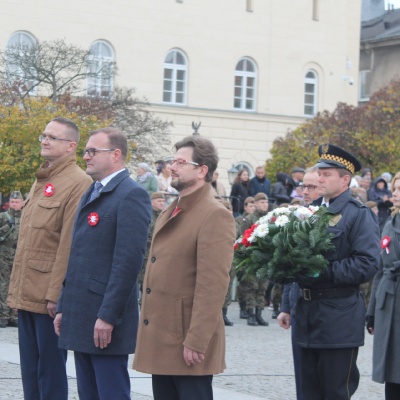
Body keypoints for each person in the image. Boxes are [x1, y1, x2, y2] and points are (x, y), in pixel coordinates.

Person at [133, 136, 236, 400]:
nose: (173, 167)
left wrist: (198, 338)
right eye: (172, 161)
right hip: (164, 336)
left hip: (186, 340)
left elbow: (213, 284)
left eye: (181, 161)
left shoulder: (214, 214)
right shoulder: (173, 209)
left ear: (202, 170)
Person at [54, 127, 152, 399]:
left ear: (116, 155)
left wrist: (108, 315)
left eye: (93, 151)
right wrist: (64, 306)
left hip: (104, 318)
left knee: (110, 393)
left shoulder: (131, 194)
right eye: (86, 151)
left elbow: (128, 263)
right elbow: (79, 256)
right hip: (82, 312)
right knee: (88, 393)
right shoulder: (92, 191)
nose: (86, 156)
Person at [7, 117, 93, 400]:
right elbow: (31, 239)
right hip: (28, 289)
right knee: (30, 369)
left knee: (50, 371)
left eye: (52, 137)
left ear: (71, 146)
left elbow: (68, 244)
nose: (44, 140)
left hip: (48, 295)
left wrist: (56, 295)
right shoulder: (42, 177)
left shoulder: (78, 183)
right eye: (43, 135)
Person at [294, 144, 380, 400]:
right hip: (307, 317)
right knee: (307, 393)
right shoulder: (308, 212)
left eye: (327, 174)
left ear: (345, 180)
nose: (320, 178)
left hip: (338, 320)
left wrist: (321, 272)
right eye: (319, 172)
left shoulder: (358, 214)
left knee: (334, 393)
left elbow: (367, 263)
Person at [278, 166, 320, 400]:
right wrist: (286, 306)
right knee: (303, 382)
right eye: (304, 185)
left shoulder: (327, 218)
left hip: (325, 308)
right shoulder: (298, 216)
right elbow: (290, 268)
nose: (305, 191)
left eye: (311, 186)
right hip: (298, 304)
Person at [366, 171, 400, 400]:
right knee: (390, 370)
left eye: (399, 190)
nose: (394, 194)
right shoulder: (391, 222)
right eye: (394, 188)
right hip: (388, 302)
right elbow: (379, 269)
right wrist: (371, 313)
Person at [240, 192, 270, 326]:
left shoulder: (270, 219)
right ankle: (250, 313)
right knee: (251, 286)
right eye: (262, 202)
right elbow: (242, 238)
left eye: (266, 202)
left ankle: (259, 313)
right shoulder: (250, 219)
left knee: (262, 287)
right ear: (256, 204)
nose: (265, 205)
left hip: (265, 258)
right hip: (252, 257)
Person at [0, 191, 24, 328]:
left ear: (22, 203)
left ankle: (14, 315)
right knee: (3, 285)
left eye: (17, 202)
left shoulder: (26, 217)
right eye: (13, 202)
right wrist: (6, 228)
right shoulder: (3, 216)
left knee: (17, 286)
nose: (14, 204)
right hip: (4, 257)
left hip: (19, 258)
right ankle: (3, 315)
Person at [139, 191, 165, 294]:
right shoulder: (147, 216)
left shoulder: (163, 216)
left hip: (157, 255)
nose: (162, 203)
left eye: (163, 201)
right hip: (146, 256)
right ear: (152, 202)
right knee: (145, 284)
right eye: (159, 201)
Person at [235, 196, 255, 319]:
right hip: (242, 253)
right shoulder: (240, 220)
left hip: (252, 254)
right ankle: (243, 307)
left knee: (252, 284)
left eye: (254, 206)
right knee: (243, 283)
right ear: (245, 207)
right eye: (250, 206)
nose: (252, 208)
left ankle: (249, 309)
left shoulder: (256, 219)